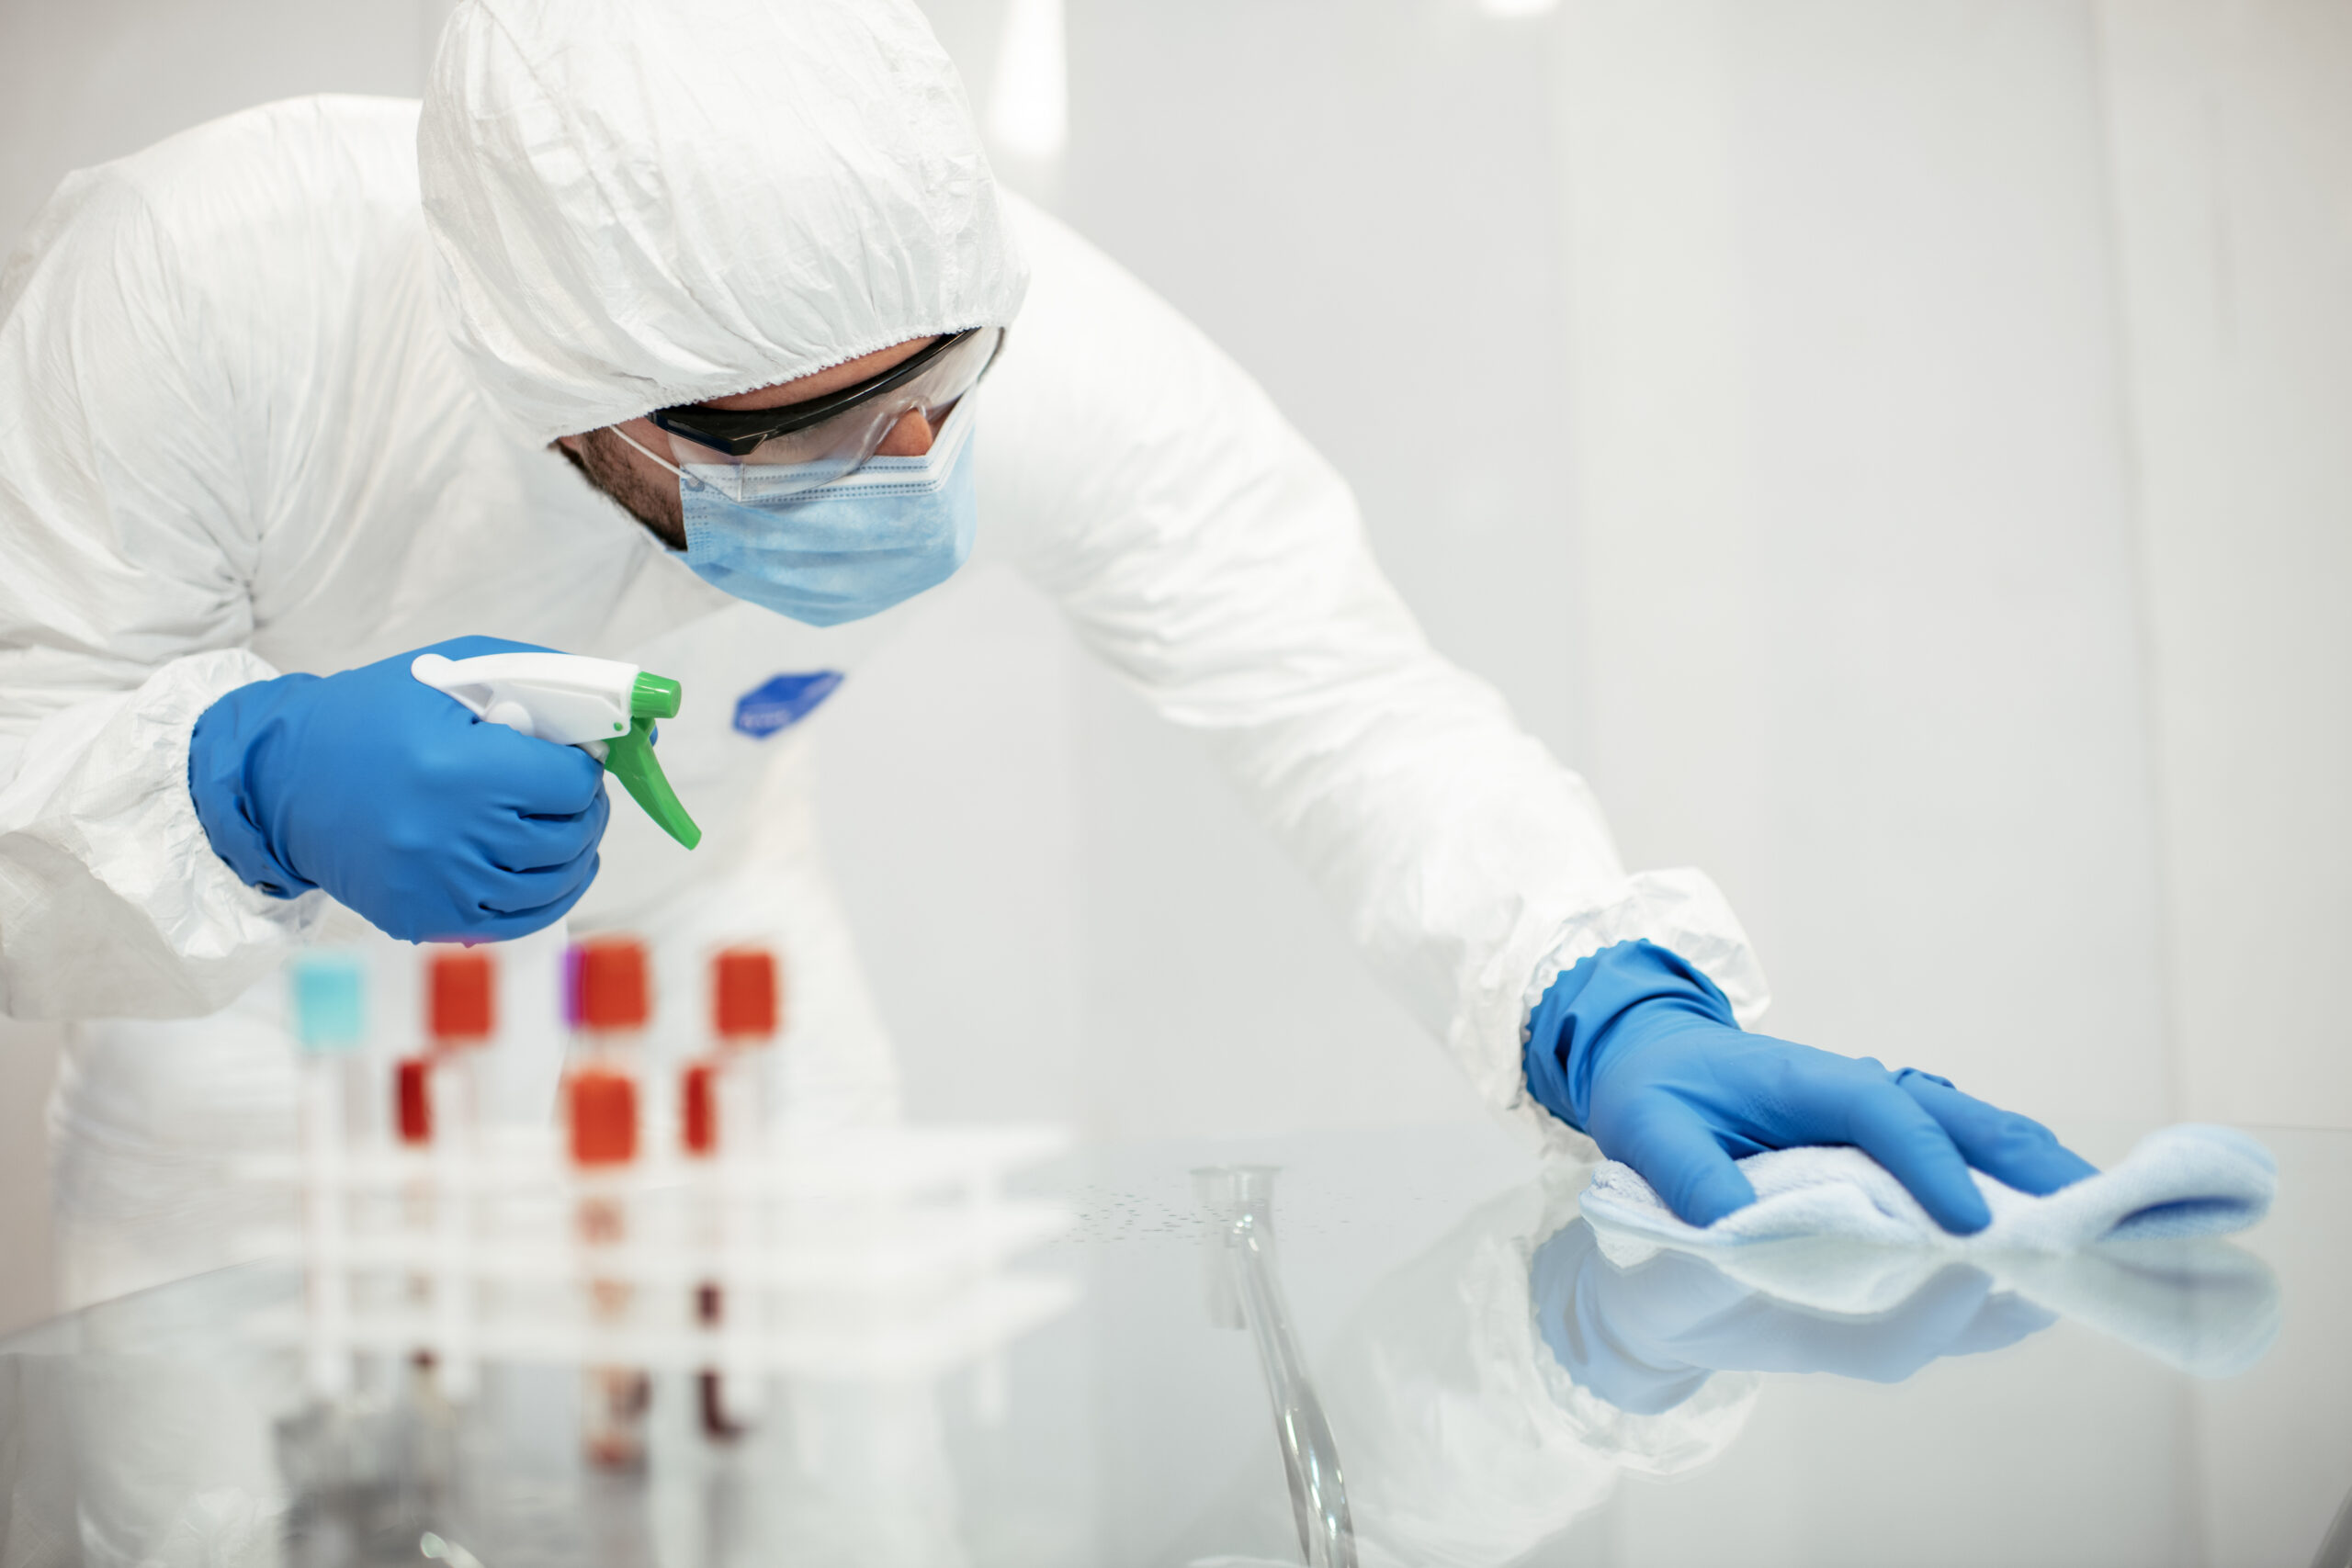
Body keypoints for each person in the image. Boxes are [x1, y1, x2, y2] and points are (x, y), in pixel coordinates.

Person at [0, 0, 2092, 1304]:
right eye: (787, 433)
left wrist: (1583, 982)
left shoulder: (1014, 341)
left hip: (720, 999)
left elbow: (1326, 680)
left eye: (928, 388)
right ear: (548, 378)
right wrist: (236, 781)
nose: (898, 465)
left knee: (820, 1507)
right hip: (247, 1054)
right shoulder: (216, 283)